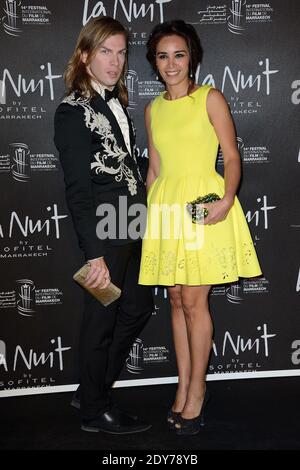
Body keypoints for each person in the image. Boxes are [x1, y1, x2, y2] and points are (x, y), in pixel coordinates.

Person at [138, 20, 262, 436]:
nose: (171, 64)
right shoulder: (152, 109)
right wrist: (147, 214)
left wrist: (226, 200)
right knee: (174, 300)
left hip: (201, 208)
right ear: (153, 62)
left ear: (192, 57)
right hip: (167, 210)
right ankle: (183, 382)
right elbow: (154, 167)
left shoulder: (210, 98)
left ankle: (198, 388)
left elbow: (231, 154)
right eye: (162, 56)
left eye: (179, 55)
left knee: (194, 301)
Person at [54, 17, 153, 434]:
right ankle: (95, 409)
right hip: (104, 230)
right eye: (104, 51)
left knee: (137, 308)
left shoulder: (116, 104)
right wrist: (93, 253)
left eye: (121, 52)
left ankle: (91, 388)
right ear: (84, 55)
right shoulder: (71, 111)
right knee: (102, 318)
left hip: (132, 222)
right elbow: (77, 189)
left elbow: (127, 168)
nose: (115, 62)